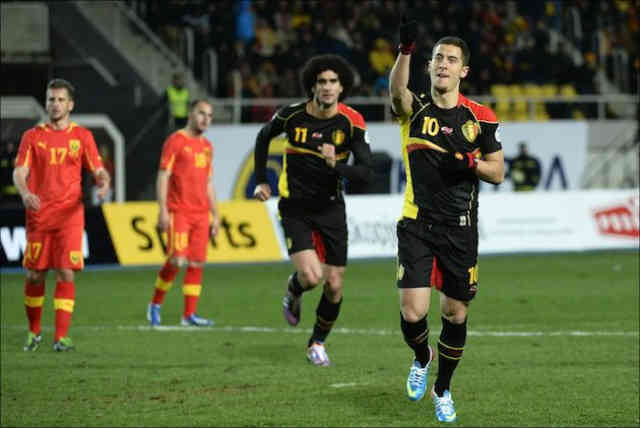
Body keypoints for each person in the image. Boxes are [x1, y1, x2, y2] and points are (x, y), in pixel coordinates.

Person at [389, 20, 505, 423]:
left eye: (451, 59)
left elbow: (497, 171)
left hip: (460, 226)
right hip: (416, 222)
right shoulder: (415, 109)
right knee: (411, 312)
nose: (442, 64)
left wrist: (469, 161)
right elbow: (396, 93)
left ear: (463, 71)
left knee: (455, 314)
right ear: (430, 65)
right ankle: (422, 357)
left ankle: (443, 388)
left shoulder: (480, 117)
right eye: (437, 57)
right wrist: (405, 49)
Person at [253, 54, 373, 366]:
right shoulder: (292, 115)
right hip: (295, 208)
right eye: (322, 81)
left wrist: (337, 167)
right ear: (313, 85)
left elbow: (366, 171)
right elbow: (263, 136)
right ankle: (293, 291)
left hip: (332, 209)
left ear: (341, 86)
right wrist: (262, 181)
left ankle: (317, 343)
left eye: (333, 81)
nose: (328, 87)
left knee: (334, 285)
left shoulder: (352, 122)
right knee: (310, 276)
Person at [13, 78, 111, 352]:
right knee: (34, 275)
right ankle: (34, 333)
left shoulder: (82, 137)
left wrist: (104, 181)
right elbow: (20, 171)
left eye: (59, 100)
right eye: (50, 99)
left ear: (71, 104)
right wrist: (24, 192)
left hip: (70, 215)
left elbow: (98, 169)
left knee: (66, 272)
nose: (54, 104)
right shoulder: (32, 136)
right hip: (39, 215)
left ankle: (61, 337)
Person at [146, 99, 220, 327]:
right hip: (179, 211)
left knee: (197, 263)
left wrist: (216, 215)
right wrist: (162, 210)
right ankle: (155, 304)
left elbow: (208, 183)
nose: (205, 119)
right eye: (201, 113)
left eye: (209, 115)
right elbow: (163, 176)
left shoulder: (207, 146)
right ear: (190, 114)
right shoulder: (176, 141)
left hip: (201, 213)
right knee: (177, 259)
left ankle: (189, 315)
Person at [0, 139, 20, 207]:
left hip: (14, 178)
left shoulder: (16, 156)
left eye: (11, 146)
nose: (9, 147)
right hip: (4, 179)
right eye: (8, 146)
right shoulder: (3, 156)